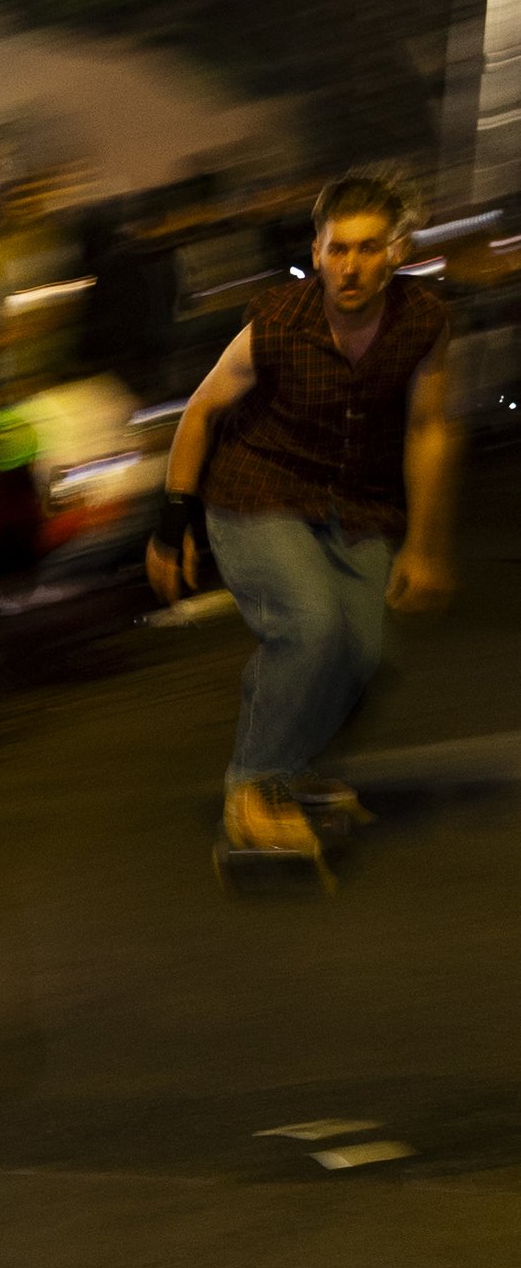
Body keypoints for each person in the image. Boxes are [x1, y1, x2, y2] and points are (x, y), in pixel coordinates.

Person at [146, 168, 458, 858]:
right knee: (312, 627)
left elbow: (428, 428)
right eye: (338, 249)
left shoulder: (424, 321)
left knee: (366, 655)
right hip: (255, 495)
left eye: (369, 248)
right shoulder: (279, 322)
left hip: (356, 505)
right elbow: (201, 411)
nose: (351, 267)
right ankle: (253, 784)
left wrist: (427, 547)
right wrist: (173, 526)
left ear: (398, 250)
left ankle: (290, 767)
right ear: (315, 251)